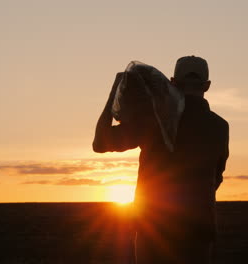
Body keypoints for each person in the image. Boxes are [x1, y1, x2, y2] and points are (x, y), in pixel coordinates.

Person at [93, 56, 229, 264]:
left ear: (172, 82)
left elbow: (100, 143)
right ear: (207, 85)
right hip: (198, 230)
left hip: (154, 228)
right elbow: (216, 179)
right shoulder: (220, 127)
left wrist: (115, 92)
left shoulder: (154, 119)